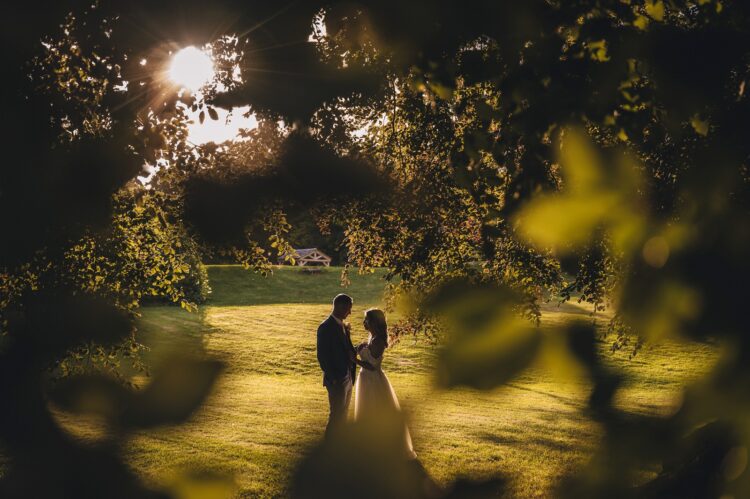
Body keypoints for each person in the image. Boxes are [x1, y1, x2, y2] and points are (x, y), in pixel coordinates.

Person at [354, 308, 417, 459]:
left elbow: (372, 366)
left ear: (374, 323)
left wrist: (354, 360)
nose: (364, 323)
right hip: (366, 378)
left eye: (366, 320)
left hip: (372, 380)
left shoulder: (378, 341)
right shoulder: (372, 337)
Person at [316, 294, 373, 438]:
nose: (350, 312)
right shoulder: (325, 327)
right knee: (336, 414)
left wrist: (358, 347)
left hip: (348, 376)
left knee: (343, 414)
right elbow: (323, 356)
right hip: (337, 379)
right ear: (340, 306)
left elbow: (344, 350)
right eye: (348, 309)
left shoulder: (342, 326)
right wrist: (334, 378)